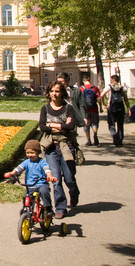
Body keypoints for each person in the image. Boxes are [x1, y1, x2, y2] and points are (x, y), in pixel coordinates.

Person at [39, 80, 80, 219]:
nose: (54, 94)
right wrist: (61, 125)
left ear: (62, 92)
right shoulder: (45, 108)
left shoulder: (68, 108)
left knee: (69, 178)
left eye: (57, 91)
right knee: (56, 180)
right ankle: (61, 208)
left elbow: (71, 126)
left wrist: (51, 124)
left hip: (66, 146)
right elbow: (42, 126)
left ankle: (74, 192)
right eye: (52, 91)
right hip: (51, 147)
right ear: (48, 93)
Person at [4, 139, 55, 215]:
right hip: (30, 185)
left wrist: (49, 175)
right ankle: (26, 210)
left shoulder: (42, 162)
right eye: (27, 153)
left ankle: (48, 208)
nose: (29, 155)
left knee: (44, 192)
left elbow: (46, 169)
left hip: (41, 184)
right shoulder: (27, 162)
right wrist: (12, 173)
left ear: (38, 152)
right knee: (26, 198)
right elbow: (19, 168)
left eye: (32, 153)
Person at [99, 75, 131, 146]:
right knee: (120, 124)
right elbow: (125, 99)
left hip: (111, 107)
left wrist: (104, 104)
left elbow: (101, 95)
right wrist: (128, 108)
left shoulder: (109, 87)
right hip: (120, 108)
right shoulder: (122, 88)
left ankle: (114, 136)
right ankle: (120, 139)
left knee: (111, 124)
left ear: (113, 80)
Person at [79, 77, 103, 146]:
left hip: (85, 110)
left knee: (86, 125)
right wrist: (100, 107)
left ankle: (88, 140)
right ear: (90, 80)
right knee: (94, 123)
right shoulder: (95, 88)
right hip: (94, 109)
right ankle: (95, 134)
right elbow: (99, 99)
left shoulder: (81, 89)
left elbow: (79, 100)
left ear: (83, 81)